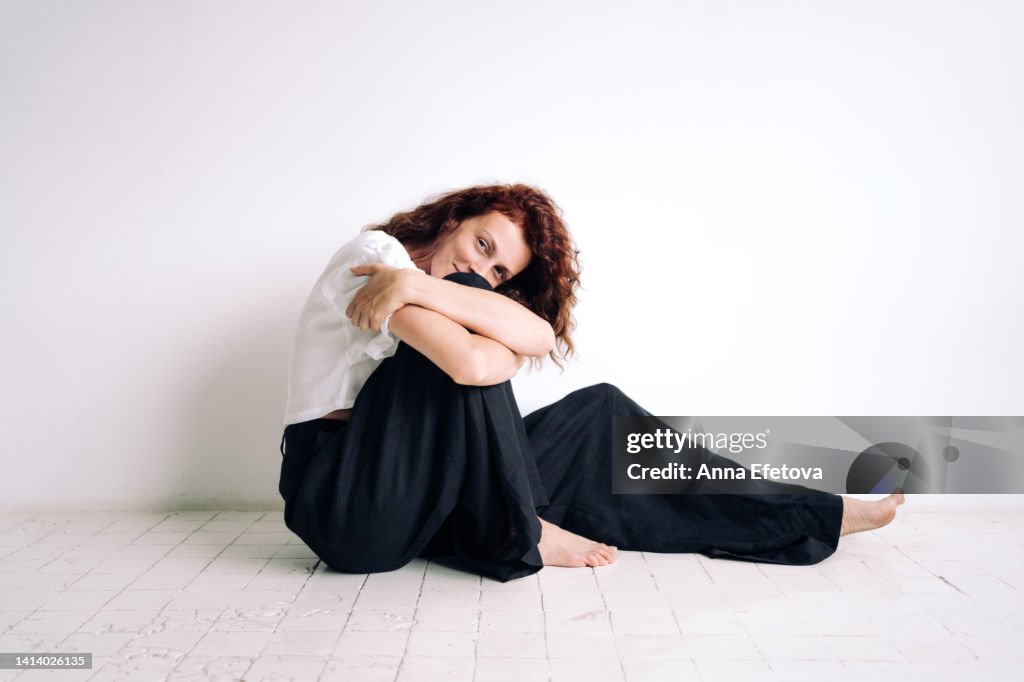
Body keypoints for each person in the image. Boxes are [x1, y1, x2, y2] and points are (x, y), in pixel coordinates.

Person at [278, 183, 905, 582]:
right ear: (453, 219)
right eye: (482, 242)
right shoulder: (375, 256)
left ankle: (809, 514)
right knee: (464, 323)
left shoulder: (413, 286)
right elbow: (473, 366)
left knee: (598, 418)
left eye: (499, 271)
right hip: (346, 503)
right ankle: (525, 528)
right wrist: (481, 324)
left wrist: (427, 293)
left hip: (418, 488)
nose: (480, 266)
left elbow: (535, 340)